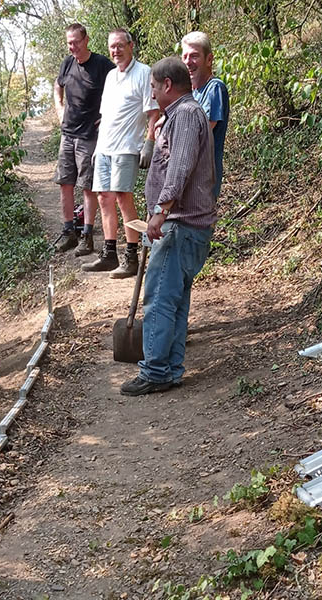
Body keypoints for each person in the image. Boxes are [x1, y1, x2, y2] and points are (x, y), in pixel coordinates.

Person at [120, 58, 216, 396]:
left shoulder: (187, 115)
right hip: (183, 226)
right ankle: (169, 369)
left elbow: (180, 167)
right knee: (174, 299)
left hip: (180, 226)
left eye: (153, 87)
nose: (151, 93)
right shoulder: (178, 116)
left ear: (167, 86)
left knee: (160, 298)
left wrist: (160, 211)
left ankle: (157, 371)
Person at [82, 28, 159, 278]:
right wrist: (98, 148)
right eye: (111, 47)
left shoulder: (144, 73)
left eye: (119, 45)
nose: (115, 51)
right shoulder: (111, 76)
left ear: (131, 45)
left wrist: (149, 142)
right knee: (104, 198)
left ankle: (132, 256)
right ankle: (109, 253)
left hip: (127, 147)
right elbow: (105, 116)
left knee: (123, 198)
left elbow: (153, 113)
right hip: (105, 147)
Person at [53, 23, 115, 255]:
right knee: (65, 184)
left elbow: (121, 85)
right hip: (67, 134)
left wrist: (107, 116)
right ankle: (69, 232)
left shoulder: (101, 65)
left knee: (88, 187)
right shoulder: (67, 63)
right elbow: (57, 86)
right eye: (69, 43)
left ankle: (87, 236)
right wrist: (59, 108)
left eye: (76, 42)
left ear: (86, 40)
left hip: (90, 135)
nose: (73, 47)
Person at [181, 31, 229, 200]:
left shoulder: (215, 88)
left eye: (194, 56)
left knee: (198, 225)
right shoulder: (189, 93)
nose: (188, 62)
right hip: (186, 176)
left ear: (209, 59)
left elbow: (201, 130)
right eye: (185, 56)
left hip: (204, 178)